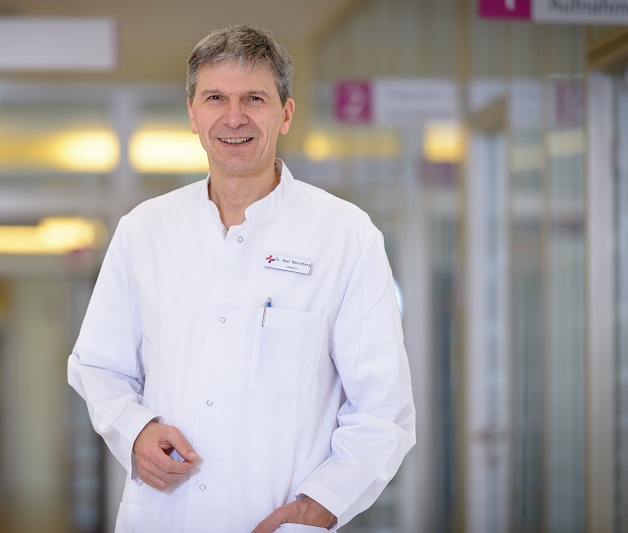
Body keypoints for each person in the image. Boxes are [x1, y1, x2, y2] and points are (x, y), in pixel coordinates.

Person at [68, 25, 416, 532]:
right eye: (215, 98)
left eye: (254, 98)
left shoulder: (345, 235)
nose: (234, 117)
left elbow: (384, 409)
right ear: (192, 113)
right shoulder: (144, 230)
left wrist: (322, 504)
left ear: (286, 113)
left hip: (277, 520)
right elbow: (97, 365)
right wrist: (136, 430)